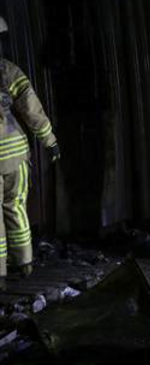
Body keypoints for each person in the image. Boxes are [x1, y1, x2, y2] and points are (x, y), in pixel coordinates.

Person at [0, 16, 60, 290]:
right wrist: (50, 141)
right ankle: (24, 263)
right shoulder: (9, 70)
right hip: (15, 156)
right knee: (16, 206)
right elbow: (31, 109)